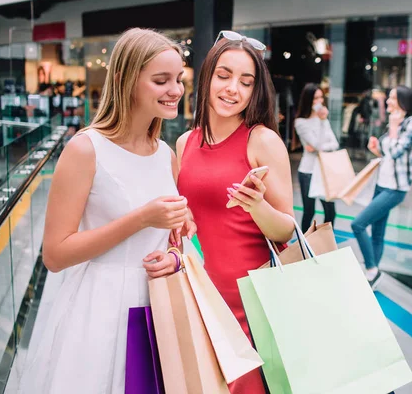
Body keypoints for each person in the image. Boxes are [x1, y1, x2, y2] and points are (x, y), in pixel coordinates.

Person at [18, 28, 190, 393]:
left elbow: (181, 239)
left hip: (158, 306)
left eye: (179, 79)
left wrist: (175, 254)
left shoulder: (166, 156)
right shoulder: (85, 149)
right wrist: (141, 218)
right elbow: (55, 254)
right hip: (100, 310)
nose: (176, 89)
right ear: (127, 81)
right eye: (161, 80)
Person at [176, 31, 294, 394]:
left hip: (251, 302)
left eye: (246, 82)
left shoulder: (262, 140)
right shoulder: (185, 142)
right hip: (199, 295)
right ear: (207, 75)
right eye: (224, 75)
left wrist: (256, 206)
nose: (233, 89)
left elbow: (286, 230)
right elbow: (184, 222)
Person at [351, 85, 412, 289]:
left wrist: (392, 127)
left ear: (403, 101)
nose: (388, 101)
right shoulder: (398, 123)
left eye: (391, 98)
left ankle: (372, 269)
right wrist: (376, 146)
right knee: (378, 232)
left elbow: (397, 151)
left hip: (395, 188)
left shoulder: (411, 123)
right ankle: (372, 273)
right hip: (382, 184)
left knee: (358, 224)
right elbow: (384, 150)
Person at [294, 83, 339, 232]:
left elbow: (334, 144)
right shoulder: (300, 122)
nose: (319, 102)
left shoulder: (323, 120)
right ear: (308, 100)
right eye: (315, 99)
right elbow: (319, 144)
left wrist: (323, 121)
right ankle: (305, 245)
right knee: (309, 211)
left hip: (324, 171)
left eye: (320, 98)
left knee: (331, 211)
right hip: (308, 172)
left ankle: (324, 242)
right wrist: (318, 146)